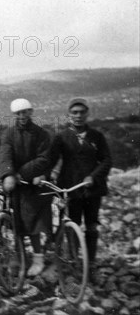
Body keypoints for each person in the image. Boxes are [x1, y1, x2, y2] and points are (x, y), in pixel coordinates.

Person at [51, 98, 112, 270]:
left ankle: (90, 262)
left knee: (91, 225)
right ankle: (73, 259)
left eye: (82, 112)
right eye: (74, 112)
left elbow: (106, 160)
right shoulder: (61, 137)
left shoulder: (97, 136)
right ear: (69, 115)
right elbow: (51, 159)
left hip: (93, 188)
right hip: (71, 187)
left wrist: (93, 177)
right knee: (73, 223)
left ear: (88, 114)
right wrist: (44, 175)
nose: (78, 116)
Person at [0, 99, 52, 277]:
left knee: (35, 223)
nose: (22, 116)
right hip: (17, 185)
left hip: (35, 183)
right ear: (14, 115)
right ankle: (20, 255)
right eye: (18, 114)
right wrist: (7, 175)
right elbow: (5, 155)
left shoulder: (41, 133)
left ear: (30, 112)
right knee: (17, 221)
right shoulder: (8, 134)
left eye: (25, 112)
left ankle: (38, 259)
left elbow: (44, 159)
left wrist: (21, 174)